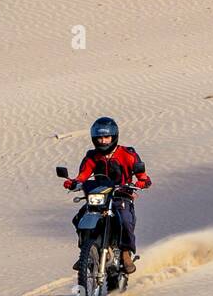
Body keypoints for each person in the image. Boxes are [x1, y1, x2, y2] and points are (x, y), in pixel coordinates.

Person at [63, 117, 151, 273]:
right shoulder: (92, 156)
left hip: (120, 196)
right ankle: (86, 252)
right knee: (78, 218)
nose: (103, 141)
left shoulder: (127, 154)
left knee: (124, 219)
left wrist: (142, 182)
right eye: (99, 138)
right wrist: (74, 182)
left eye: (106, 137)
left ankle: (125, 253)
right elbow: (83, 175)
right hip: (99, 195)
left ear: (114, 137)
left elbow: (142, 175)